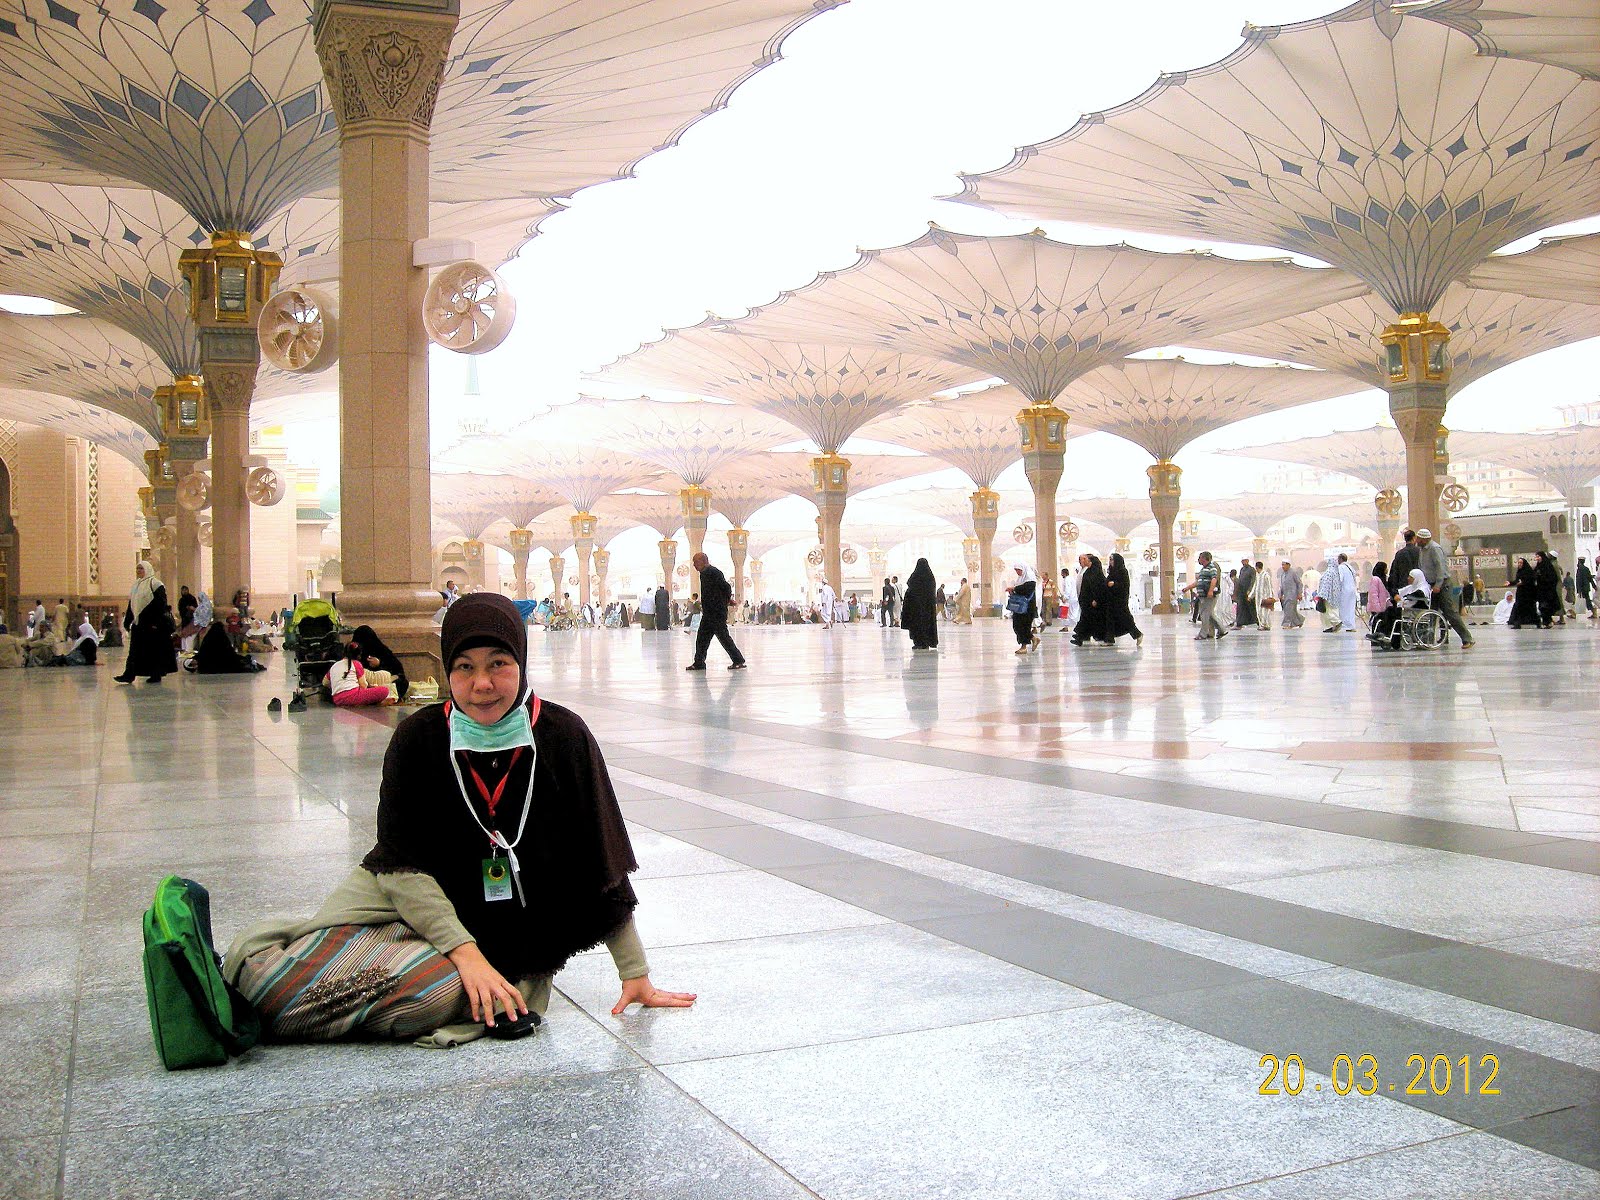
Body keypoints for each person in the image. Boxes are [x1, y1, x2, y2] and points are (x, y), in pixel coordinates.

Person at [225, 593, 693, 1043]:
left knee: (444, 991)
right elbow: (400, 866)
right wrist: (464, 953)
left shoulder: (562, 736)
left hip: (503, 943)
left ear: (521, 664)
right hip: (396, 914)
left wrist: (634, 972)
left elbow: (598, 856)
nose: (481, 684)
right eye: (464, 667)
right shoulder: (419, 739)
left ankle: (460, 984)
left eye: (498, 664)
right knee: (272, 986)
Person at [115, 561, 177, 684]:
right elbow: (132, 605)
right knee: (134, 650)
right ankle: (129, 674)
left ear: (147, 570)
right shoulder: (136, 586)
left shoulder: (155, 584)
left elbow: (161, 604)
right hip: (140, 624)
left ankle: (155, 674)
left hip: (152, 625)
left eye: (141, 569)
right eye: (137, 569)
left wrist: (155, 622)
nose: (138, 571)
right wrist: (128, 621)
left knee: (153, 650)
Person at [686, 553, 746, 671]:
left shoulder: (713, 572)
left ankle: (738, 660)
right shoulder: (704, 573)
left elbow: (726, 587)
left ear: (703, 561)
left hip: (716, 613)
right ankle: (699, 662)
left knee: (723, 637)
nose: (694, 565)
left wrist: (726, 600)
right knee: (702, 638)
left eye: (695, 562)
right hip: (709, 613)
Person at [1415, 529, 1473, 648]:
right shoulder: (1421, 550)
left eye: (1418, 538)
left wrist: (1438, 585)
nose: (1417, 540)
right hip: (1431, 585)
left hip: (1442, 584)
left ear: (1425, 539)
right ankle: (1428, 641)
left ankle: (1467, 639)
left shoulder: (1435, 549)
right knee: (1431, 613)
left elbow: (1440, 569)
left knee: (1449, 612)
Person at [350, 624, 410, 700]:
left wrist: (379, 664)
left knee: (402, 683)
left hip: (383, 683)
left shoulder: (381, 650)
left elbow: (397, 670)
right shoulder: (354, 651)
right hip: (363, 685)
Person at [324, 641, 394, 705]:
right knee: (384, 690)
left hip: (337, 699)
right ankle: (378, 703)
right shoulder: (356, 664)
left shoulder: (335, 665)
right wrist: (372, 687)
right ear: (359, 655)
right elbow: (363, 685)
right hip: (353, 696)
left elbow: (325, 682)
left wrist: (336, 687)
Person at [1104, 552, 1143, 647]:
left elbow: (1124, 585)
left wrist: (1115, 584)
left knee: (1125, 619)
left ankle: (1137, 634)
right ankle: (1109, 639)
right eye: (1110, 559)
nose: (1110, 562)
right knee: (1110, 619)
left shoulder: (1122, 571)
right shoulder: (1112, 572)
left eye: (1112, 559)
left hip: (1120, 600)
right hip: (1111, 600)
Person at [191, 621, 262, 674]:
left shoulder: (207, 639)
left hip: (206, 668)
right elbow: (230, 654)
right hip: (224, 665)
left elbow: (202, 653)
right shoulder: (223, 639)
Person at [1072, 554, 1111, 647]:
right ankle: (1081, 637)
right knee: (1087, 619)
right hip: (1086, 600)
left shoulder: (1097, 574)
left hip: (1093, 601)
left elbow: (1099, 588)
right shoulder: (1088, 572)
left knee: (1085, 619)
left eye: (1087, 560)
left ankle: (1079, 637)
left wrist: (1096, 599)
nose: (1086, 562)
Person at [1187, 551, 1227, 641]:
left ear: (1205, 558)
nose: (1198, 560)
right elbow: (1199, 581)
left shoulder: (1212, 567)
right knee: (1209, 614)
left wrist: (1210, 591)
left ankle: (1203, 634)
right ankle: (1220, 630)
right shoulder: (1204, 569)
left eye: (1200, 557)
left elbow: (1214, 579)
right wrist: (1188, 587)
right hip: (1203, 595)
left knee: (1205, 614)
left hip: (1208, 595)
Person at [901, 557, 939, 651]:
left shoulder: (915, 577)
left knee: (917, 625)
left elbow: (910, 589)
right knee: (927, 625)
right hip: (927, 609)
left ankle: (918, 642)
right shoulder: (930, 578)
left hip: (915, 609)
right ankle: (927, 642)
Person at [1004, 563, 1038, 655]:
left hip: (1027, 607)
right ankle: (1033, 639)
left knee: (1024, 626)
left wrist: (1014, 589)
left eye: (1019, 570)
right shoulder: (1020, 579)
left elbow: (1026, 589)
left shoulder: (1030, 579)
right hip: (1019, 608)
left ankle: (1024, 647)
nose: (1017, 572)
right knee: (1017, 626)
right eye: (1016, 570)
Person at [1386, 530, 1419, 595]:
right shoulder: (1419, 552)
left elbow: (1394, 573)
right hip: (1417, 586)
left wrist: (1394, 592)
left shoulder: (1399, 554)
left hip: (1403, 587)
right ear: (1414, 538)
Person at [1508, 557, 1538, 628]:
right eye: (1518, 563)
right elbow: (1517, 581)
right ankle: (1517, 624)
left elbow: (1531, 580)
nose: (1519, 564)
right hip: (1521, 593)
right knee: (1518, 608)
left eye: (1521, 563)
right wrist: (1510, 583)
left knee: (1531, 608)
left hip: (1528, 593)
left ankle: (1537, 622)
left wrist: (1523, 583)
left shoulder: (1528, 571)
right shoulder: (1519, 571)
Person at [1235, 559, 1257, 629]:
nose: (1243, 562)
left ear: (1247, 561)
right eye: (1242, 561)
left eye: (1244, 561)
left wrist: (1250, 590)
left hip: (1248, 592)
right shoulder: (1242, 569)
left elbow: (1253, 580)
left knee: (1251, 608)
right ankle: (1239, 623)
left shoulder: (1252, 570)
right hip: (1241, 591)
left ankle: (1256, 621)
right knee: (1240, 607)